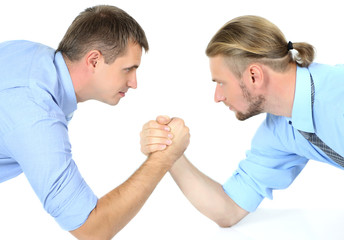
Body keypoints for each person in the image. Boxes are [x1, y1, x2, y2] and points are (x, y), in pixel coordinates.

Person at [0, 5, 190, 239]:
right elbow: (92, 229)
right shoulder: (37, 114)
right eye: (128, 69)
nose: (134, 83)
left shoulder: (27, 54)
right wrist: (164, 157)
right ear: (94, 61)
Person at [140, 15, 344, 227]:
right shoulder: (280, 131)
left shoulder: (337, 96)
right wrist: (170, 153)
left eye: (221, 83)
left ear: (254, 75)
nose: (217, 96)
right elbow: (229, 210)